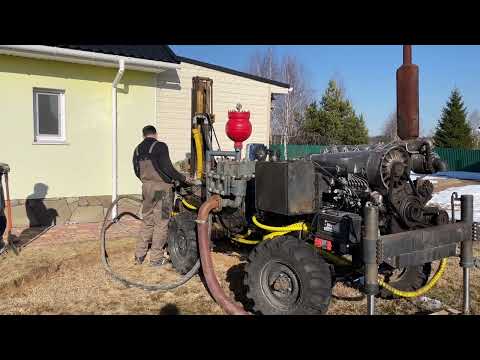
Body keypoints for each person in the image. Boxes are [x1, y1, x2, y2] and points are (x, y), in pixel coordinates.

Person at [132, 125, 199, 267]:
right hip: (162, 190)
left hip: (146, 189)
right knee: (161, 223)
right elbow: (168, 168)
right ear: (155, 134)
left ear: (143, 135)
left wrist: (147, 182)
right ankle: (156, 259)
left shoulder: (137, 150)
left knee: (147, 221)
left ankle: (139, 255)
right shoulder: (160, 146)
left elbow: (137, 170)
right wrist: (183, 179)